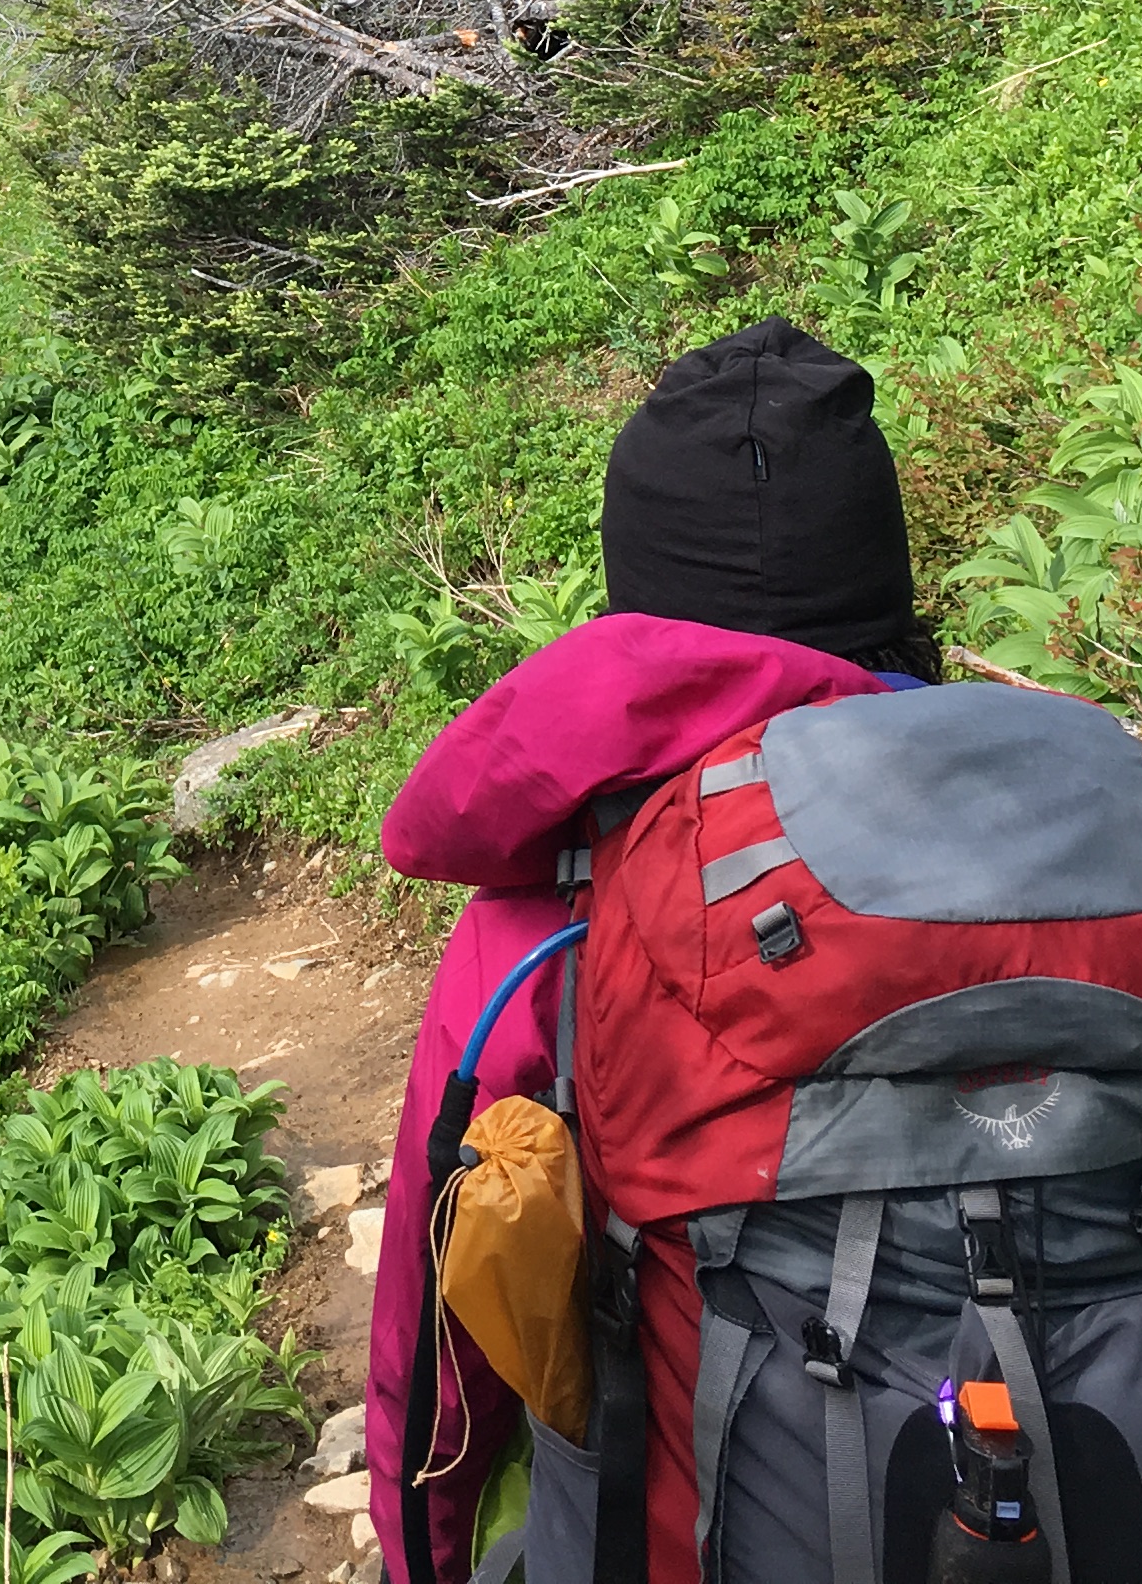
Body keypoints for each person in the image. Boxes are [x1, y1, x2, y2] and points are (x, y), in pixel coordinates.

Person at [366, 318, 940, 1584]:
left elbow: (443, 1326)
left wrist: (428, 1555)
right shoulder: (1070, 838)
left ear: (636, 616)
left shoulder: (544, 925)